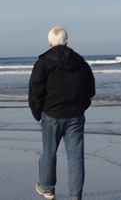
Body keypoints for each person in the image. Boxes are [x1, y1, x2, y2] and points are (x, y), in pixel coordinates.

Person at [29, 27, 95, 200]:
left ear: (50, 42)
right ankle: (75, 197)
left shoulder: (44, 61)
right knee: (75, 158)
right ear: (66, 40)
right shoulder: (80, 61)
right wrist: (81, 106)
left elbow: (34, 90)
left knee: (49, 153)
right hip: (73, 115)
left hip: (53, 115)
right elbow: (90, 89)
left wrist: (37, 112)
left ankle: (47, 188)